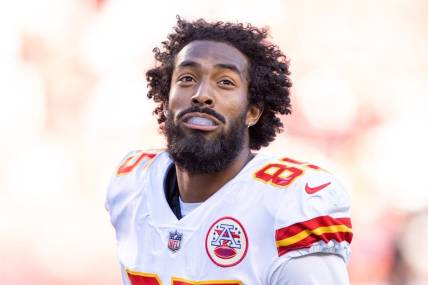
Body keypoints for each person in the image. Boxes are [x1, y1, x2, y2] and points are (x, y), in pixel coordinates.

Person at [106, 17, 353, 285]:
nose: (201, 95)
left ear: (253, 111)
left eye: (225, 82)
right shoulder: (131, 185)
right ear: (166, 100)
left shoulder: (289, 204)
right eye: (187, 78)